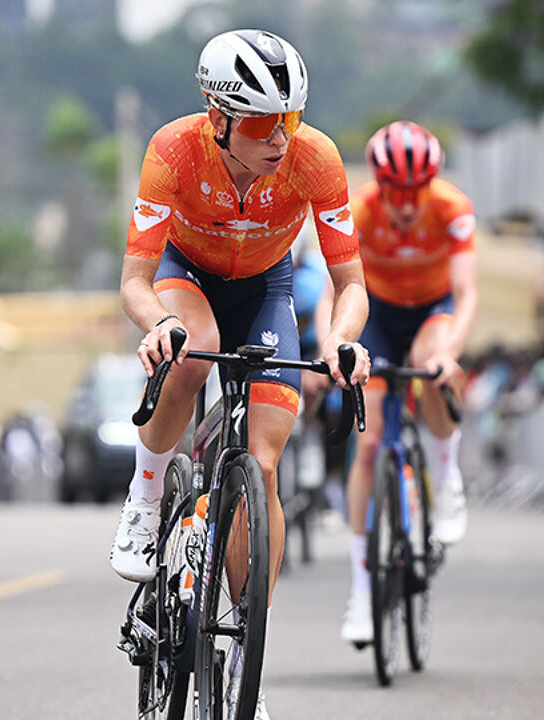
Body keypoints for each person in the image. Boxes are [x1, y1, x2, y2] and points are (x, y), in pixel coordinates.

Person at [109, 28, 370, 718]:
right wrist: (154, 324)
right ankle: (143, 502)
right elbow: (135, 279)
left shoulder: (314, 159)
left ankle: (247, 626)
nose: (280, 137)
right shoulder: (171, 150)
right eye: (262, 123)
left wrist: (344, 341)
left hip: (266, 287)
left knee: (266, 457)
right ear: (217, 117)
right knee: (194, 352)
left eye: (289, 119)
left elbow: (350, 282)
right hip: (183, 274)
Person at [335, 121, 478, 645]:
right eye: (396, 190)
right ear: (381, 184)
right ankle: (361, 591)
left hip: (432, 313)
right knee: (368, 443)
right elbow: (341, 288)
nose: (406, 203)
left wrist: (449, 352)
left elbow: (465, 294)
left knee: (431, 363)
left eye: (416, 190)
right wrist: (337, 344)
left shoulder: (453, 209)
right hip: (377, 314)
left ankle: (444, 480)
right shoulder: (357, 213)